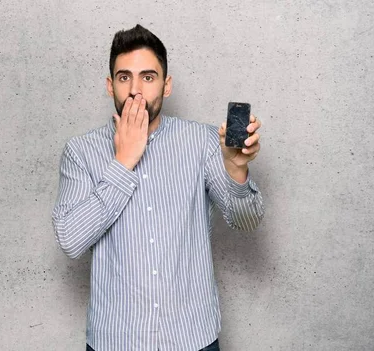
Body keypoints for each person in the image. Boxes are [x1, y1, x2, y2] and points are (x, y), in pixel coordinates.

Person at [51, 24, 264, 351]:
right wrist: (123, 163)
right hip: (116, 340)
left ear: (166, 86)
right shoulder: (82, 152)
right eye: (125, 77)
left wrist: (236, 168)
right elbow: (70, 240)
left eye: (148, 77)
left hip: (193, 338)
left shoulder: (202, 142)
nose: (136, 90)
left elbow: (248, 222)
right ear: (110, 86)